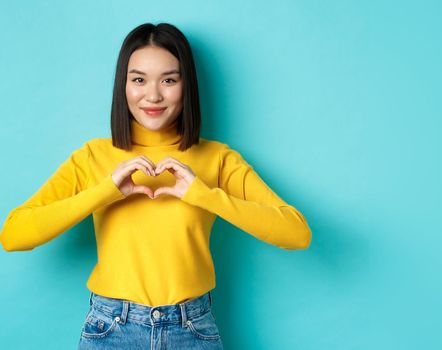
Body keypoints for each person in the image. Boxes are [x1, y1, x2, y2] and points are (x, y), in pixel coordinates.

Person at [0, 22, 312, 349]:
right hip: (111, 329)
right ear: (123, 85)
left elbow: (296, 233)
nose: (153, 95)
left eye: (168, 80)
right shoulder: (93, 156)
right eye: (138, 79)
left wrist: (202, 195)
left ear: (185, 85)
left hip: (192, 329)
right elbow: (13, 234)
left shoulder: (218, 159)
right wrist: (105, 192)